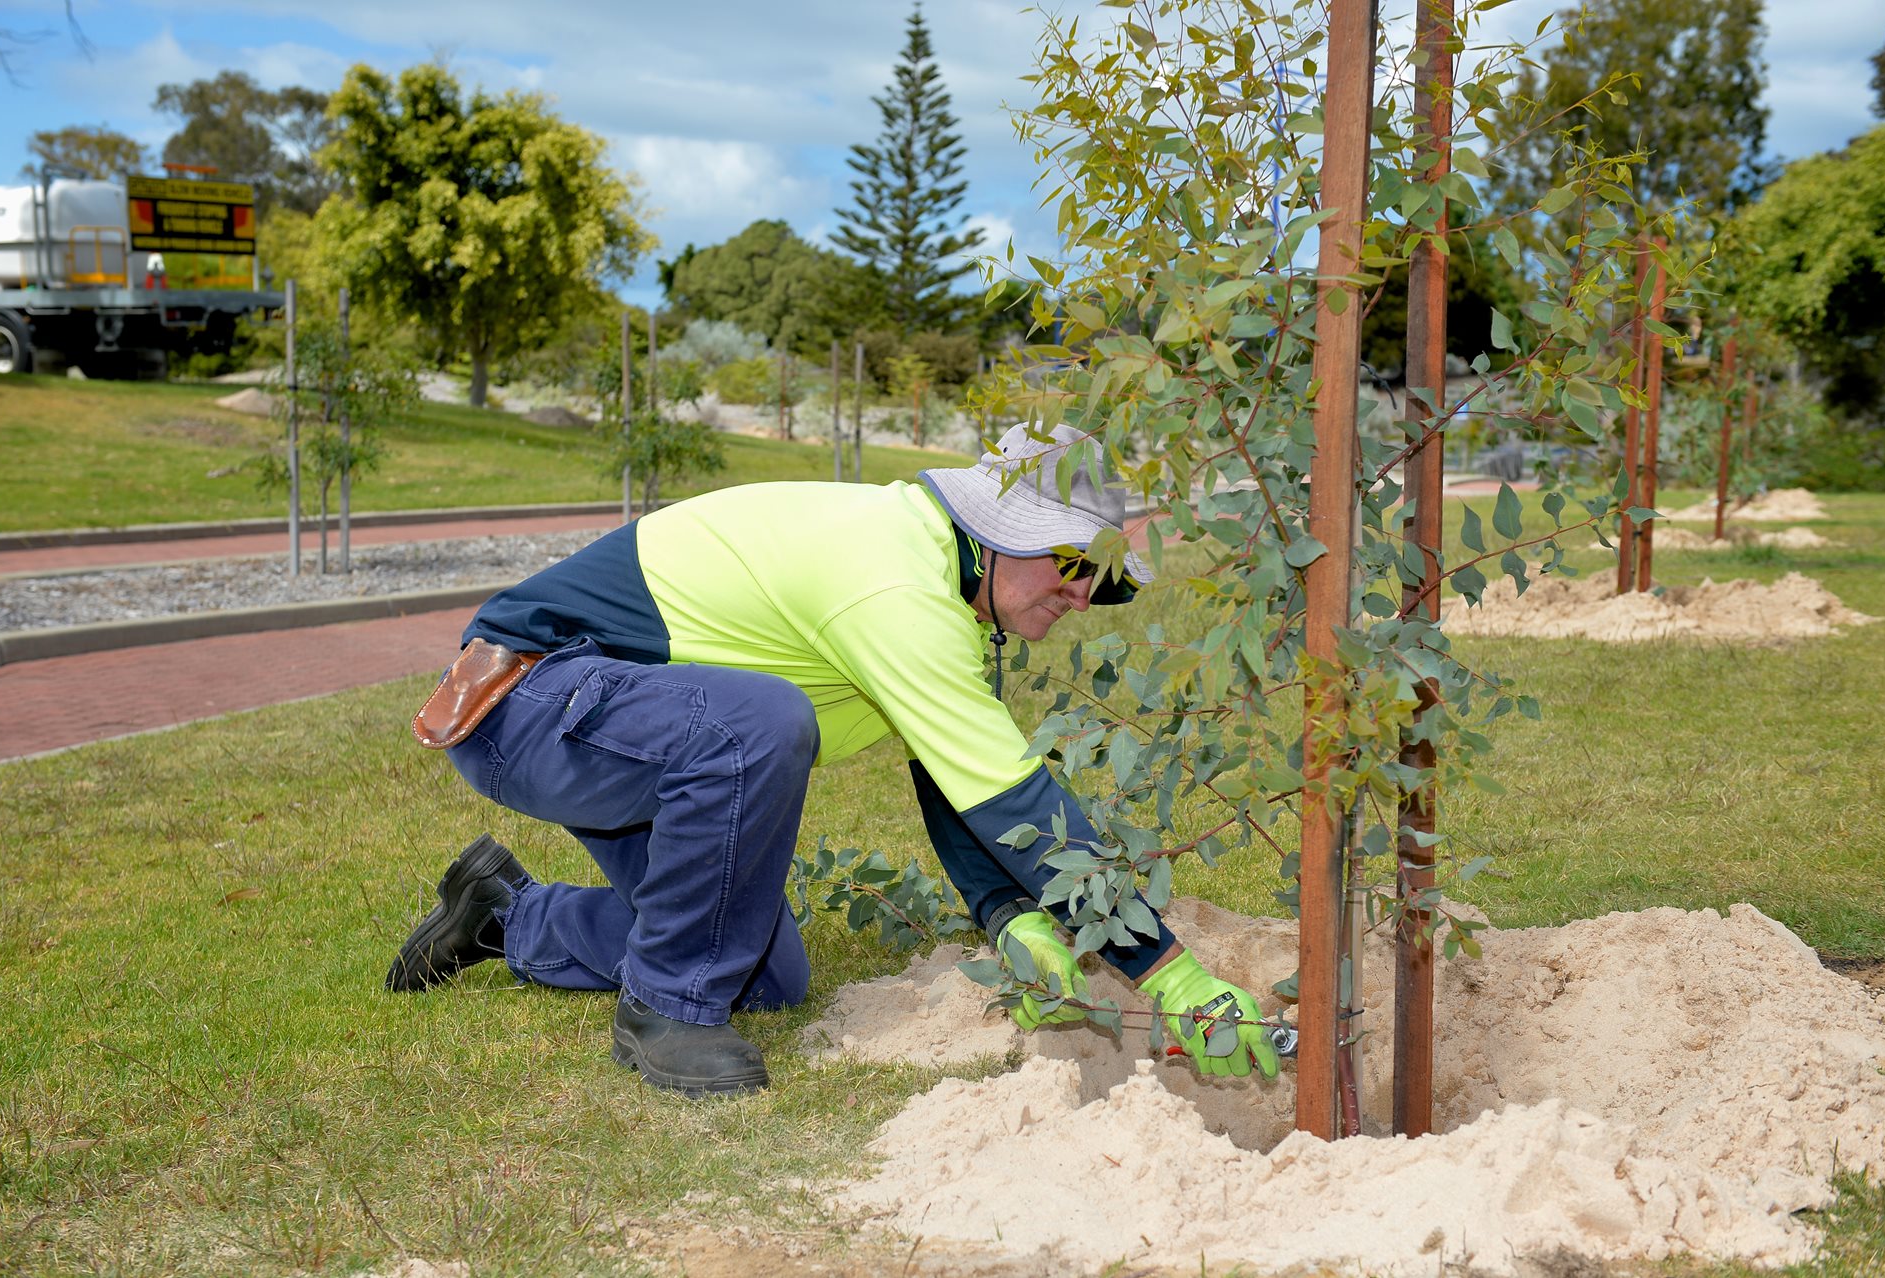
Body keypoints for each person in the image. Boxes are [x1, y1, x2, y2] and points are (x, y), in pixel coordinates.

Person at [386, 423, 1280, 1096]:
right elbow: (1017, 803)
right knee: (762, 723)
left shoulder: (935, 582)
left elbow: (958, 780)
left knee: (765, 975)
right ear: (1004, 531)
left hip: (629, 730)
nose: (1083, 596)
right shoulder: (894, 581)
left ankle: (507, 916)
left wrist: (1012, 916)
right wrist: (1171, 976)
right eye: (1073, 564)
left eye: (1103, 579)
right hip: (531, 703)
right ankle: (665, 1013)